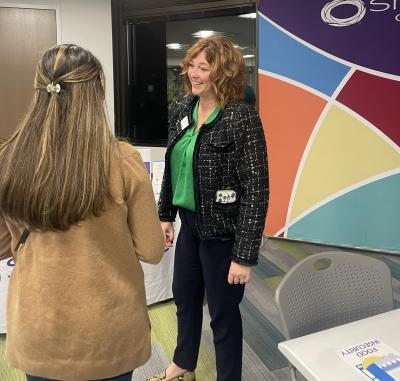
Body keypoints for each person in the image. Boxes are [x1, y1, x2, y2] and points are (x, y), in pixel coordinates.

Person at [0, 44, 164, 381]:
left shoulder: (8, 158)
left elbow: (4, 245)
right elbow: (151, 250)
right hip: (109, 331)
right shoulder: (123, 160)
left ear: (39, 90)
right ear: (97, 93)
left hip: (39, 327)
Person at [148, 35, 269, 381]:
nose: (193, 74)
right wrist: (165, 214)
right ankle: (183, 364)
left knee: (223, 313)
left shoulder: (241, 118)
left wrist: (244, 255)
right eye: (192, 66)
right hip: (190, 226)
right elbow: (173, 164)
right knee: (184, 299)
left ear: (224, 73)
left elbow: (257, 190)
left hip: (224, 235)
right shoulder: (180, 110)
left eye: (204, 68)